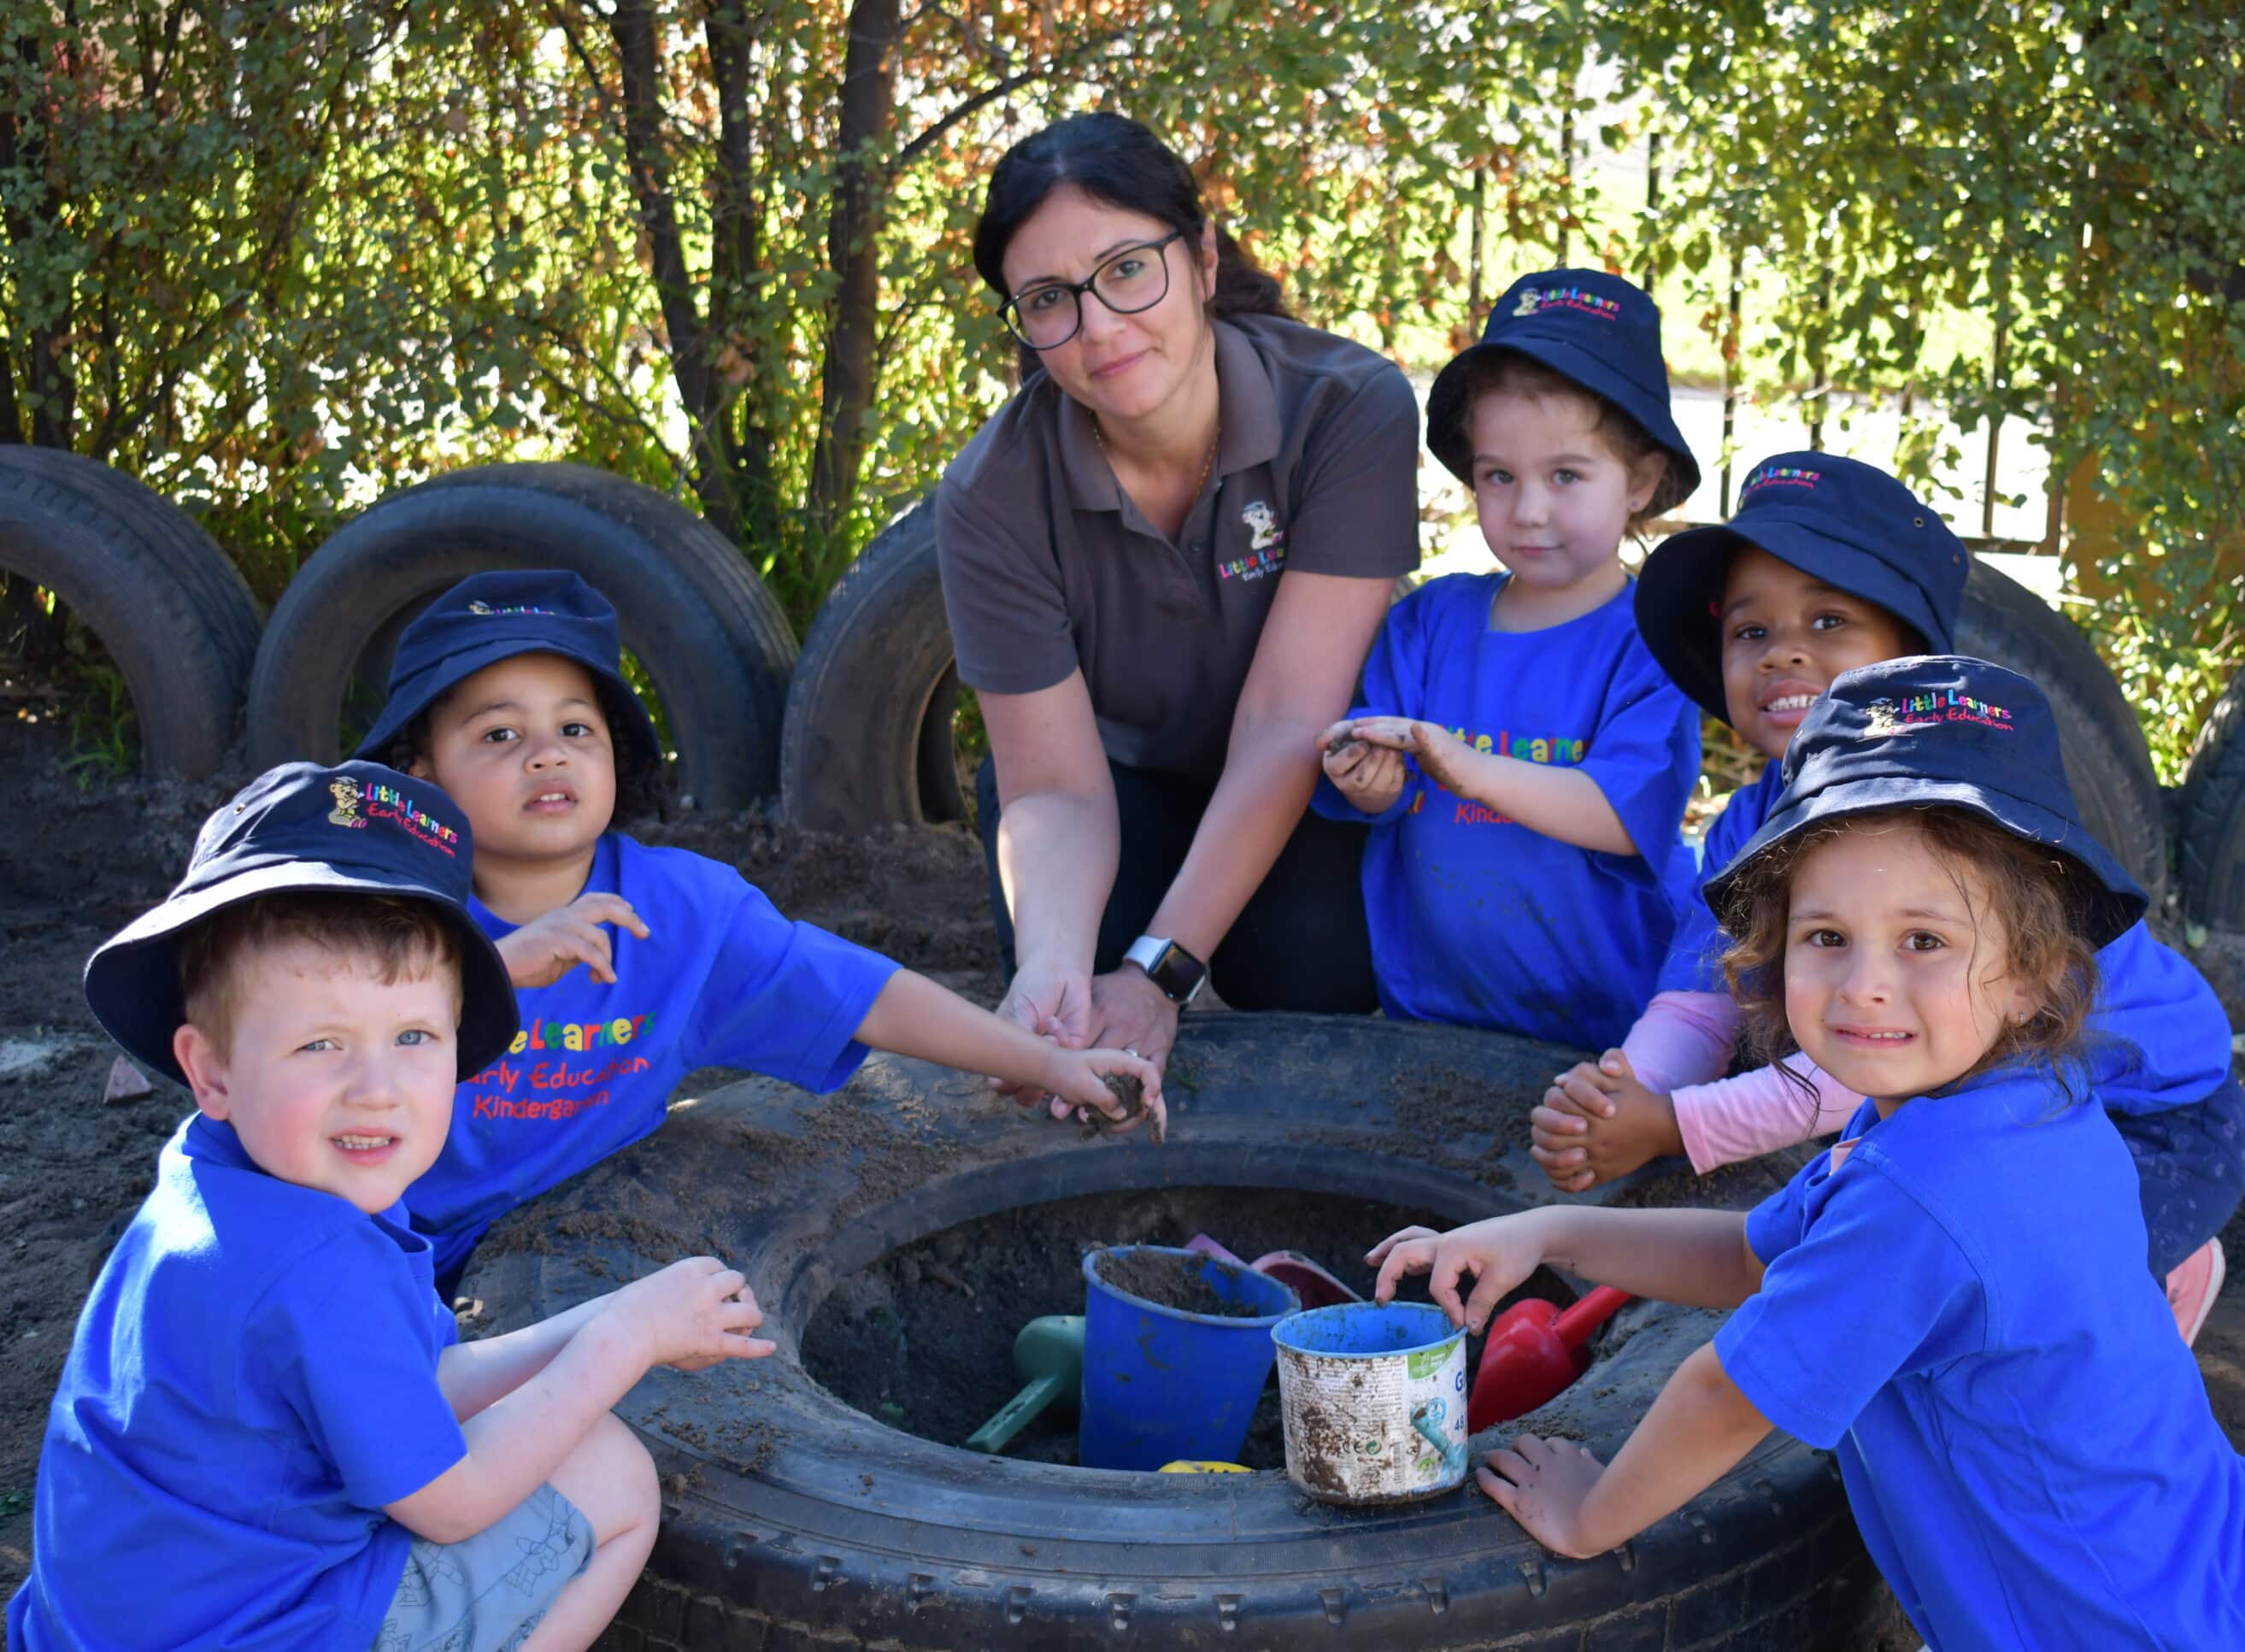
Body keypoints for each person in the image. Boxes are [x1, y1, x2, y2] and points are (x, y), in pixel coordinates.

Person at [1372, 659, 2245, 1650]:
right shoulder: (2012, 1104)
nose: (1863, 985)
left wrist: (1590, 1514)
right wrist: (1544, 1232)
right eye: (1826, 935)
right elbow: (1750, 1258)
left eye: (1923, 940)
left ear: (2033, 975)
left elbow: (1727, 1392)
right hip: (2208, 1572)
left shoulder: (1927, 1192)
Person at [9, 761, 777, 1652]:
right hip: (256, 1630)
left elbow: (404, 1386)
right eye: (320, 1043)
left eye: (413, 1036)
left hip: (109, 1619)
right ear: (210, 1069)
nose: (376, 1090)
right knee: (612, 1475)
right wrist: (624, 1342)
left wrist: (598, 1314)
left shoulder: (218, 1181)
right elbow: (451, 1502)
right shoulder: (317, 1268)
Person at [1531, 453, 2245, 1339]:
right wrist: (1622, 1094)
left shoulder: (1943, 835)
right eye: (1749, 632)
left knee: (2019, 1291)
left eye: (1827, 620)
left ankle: (2164, 1264)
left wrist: (1671, 1125)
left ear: (1909, 658)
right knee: (1903, 1214)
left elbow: (1856, 1068)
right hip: (1962, 1088)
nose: (1783, 650)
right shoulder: (1752, 820)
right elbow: (1699, 997)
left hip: (2142, 1120)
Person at [360, 570, 1161, 1285]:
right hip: (365, 1245)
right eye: (500, 734)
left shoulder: (682, 915)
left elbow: (866, 994)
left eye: (576, 729)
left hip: (563, 1261)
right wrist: (489, 969)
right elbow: (310, 1068)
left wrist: (1048, 1061)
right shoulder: (375, 912)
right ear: (422, 772)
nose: (546, 755)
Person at [937, 110, 1419, 1100]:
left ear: (1200, 258)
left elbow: (1289, 716)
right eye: (1047, 299)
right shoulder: (990, 492)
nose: (1098, 328)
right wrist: (1053, 968)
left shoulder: (1347, 407)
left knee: (1308, 984)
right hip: (1113, 779)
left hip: (1309, 768)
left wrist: (1163, 969)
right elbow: (1055, 791)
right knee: (1071, 1017)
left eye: (1125, 270)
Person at [1312, 267, 1702, 1049]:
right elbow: (1377, 790)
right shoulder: (1430, 621)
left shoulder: (1652, 641)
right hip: (1432, 1009)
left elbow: (1619, 817)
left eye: (1566, 475)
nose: (1528, 510)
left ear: (1642, 481)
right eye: (1499, 476)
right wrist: (1366, 777)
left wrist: (1460, 762)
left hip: (1601, 1021)